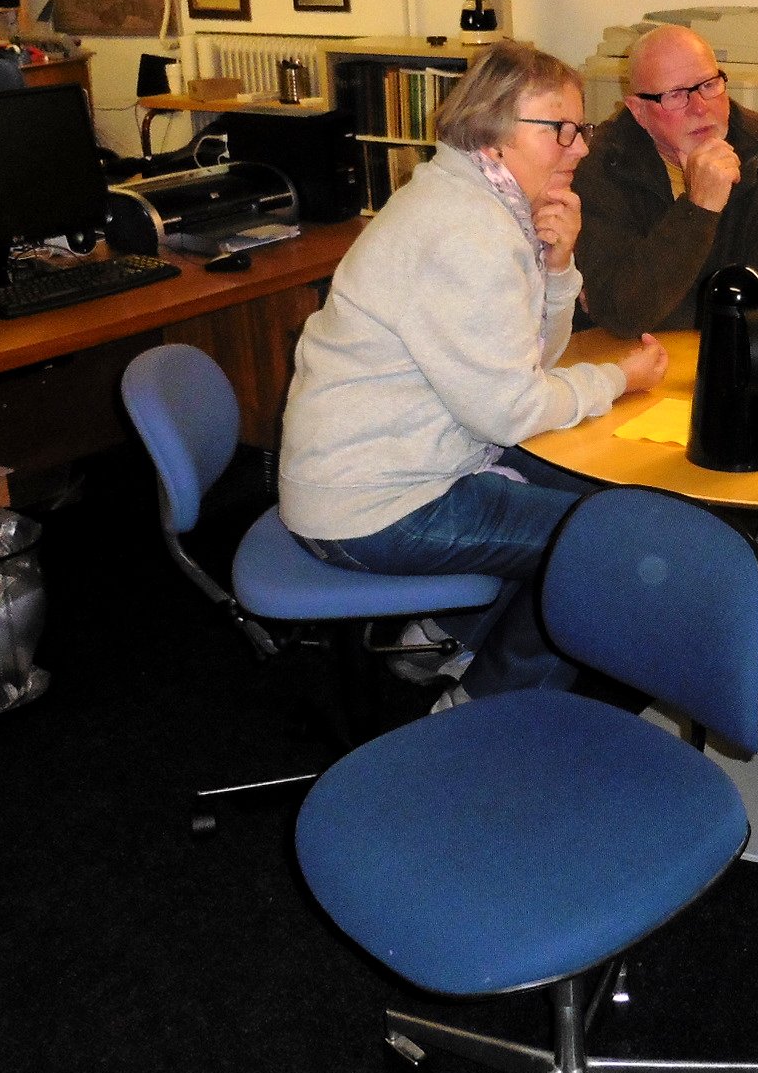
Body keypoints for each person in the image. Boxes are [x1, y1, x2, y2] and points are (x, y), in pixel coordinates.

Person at [276, 40, 668, 701]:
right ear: (493, 134)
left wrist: (557, 267)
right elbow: (512, 412)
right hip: (372, 507)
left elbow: (528, 363)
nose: (579, 149)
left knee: (599, 491)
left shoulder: (475, 201)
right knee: (608, 548)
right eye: (560, 130)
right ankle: (481, 714)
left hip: (390, 472)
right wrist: (617, 379)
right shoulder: (469, 232)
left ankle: (436, 637)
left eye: (581, 129)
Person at [577, 23, 758, 335]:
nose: (699, 107)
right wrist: (698, 210)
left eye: (708, 85)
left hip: (736, 350)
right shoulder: (599, 164)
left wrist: (666, 308)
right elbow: (621, 311)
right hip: (633, 356)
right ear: (638, 111)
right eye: (676, 95)